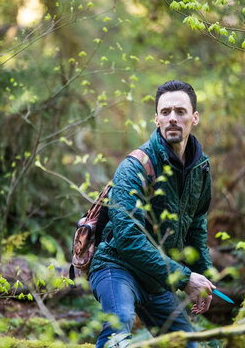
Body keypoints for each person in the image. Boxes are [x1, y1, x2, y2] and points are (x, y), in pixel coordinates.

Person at [89, 80, 215, 348]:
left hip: (158, 281)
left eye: (180, 111)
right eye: (165, 112)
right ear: (156, 118)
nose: (172, 118)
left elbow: (197, 226)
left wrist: (202, 276)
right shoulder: (134, 167)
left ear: (195, 117)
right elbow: (127, 238)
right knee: (119, 325)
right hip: (117, 268)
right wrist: (184, 278)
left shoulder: (201, 169)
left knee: (189, 344)